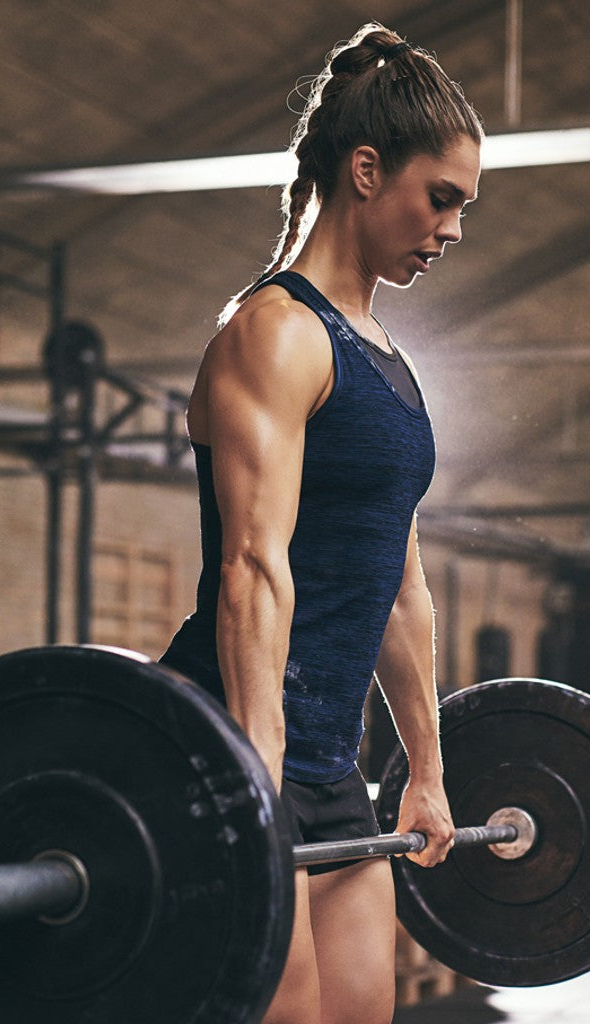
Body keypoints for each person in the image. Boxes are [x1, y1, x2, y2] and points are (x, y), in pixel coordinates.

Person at [159, 23, 482, 1024]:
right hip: (232, 739)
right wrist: (255, 777)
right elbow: (254, 566)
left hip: (331, 763)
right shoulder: (274, 331)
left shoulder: (385, 357)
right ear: (366, 167)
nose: (454, 228)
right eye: (442, 198)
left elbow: (399, 582)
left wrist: (422, 773)